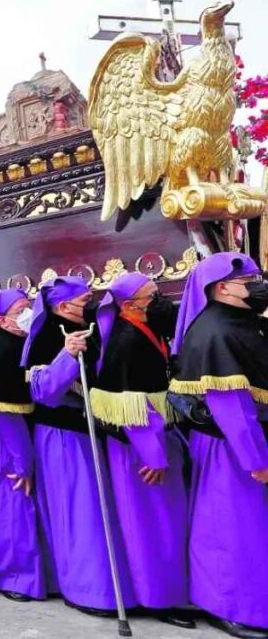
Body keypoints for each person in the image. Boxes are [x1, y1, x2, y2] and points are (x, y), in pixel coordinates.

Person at [23, 276, 135, 617]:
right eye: (83, 301)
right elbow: (43, 392)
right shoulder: (46, 336)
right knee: (79, 510)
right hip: (62, 436)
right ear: (62, 306)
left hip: (94, 432)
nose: (89, 306)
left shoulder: (92, 328)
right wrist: (67, 357)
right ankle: (86, 589)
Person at [170, 252, 268, 638]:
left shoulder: (243, 321)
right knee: (233, 532)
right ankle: (229, 607)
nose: (259, 287)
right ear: (222, 287)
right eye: (251, 281)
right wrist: (256, 460)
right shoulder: (214, 332)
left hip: (251, 439)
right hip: (232, 447)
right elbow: (231, 409)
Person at [92, 272, 192, 628]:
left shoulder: (148, 328)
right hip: (140, 450)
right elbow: (133, 408)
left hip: (158, 440)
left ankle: (175, 590)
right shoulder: (126, 340)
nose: (160, 300)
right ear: (129, 305)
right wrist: (153, 456)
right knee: (153, 524)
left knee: (170, 521)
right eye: (152, 295)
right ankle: (158, 597)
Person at [0, 289, 46, 601]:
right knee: (12, 504)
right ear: (2, 320)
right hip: (3, 439)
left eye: (29, 307)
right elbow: (6, 413)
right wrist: (22, 461)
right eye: (20, 310)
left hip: (15, 435)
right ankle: (15, 577)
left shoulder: (21, 342)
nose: (27, 313)